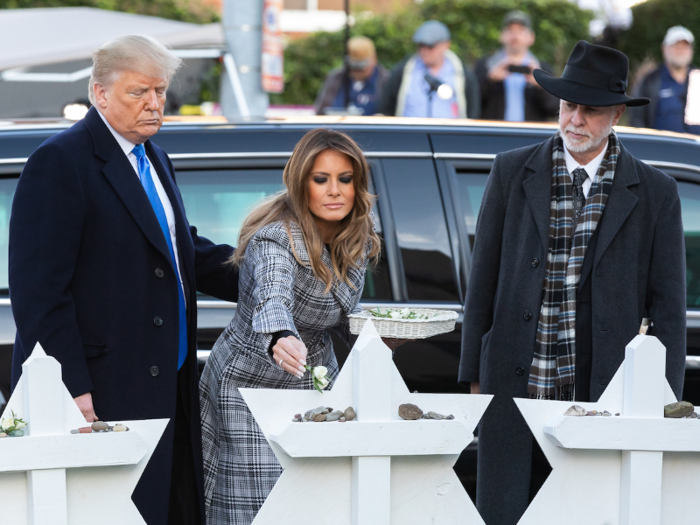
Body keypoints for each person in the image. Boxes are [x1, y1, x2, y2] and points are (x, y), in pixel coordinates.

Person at [9, 35, 238, 525]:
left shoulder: (153, 155)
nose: (154, 103)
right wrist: (71, 387)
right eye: (140, 92)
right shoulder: (61, 161)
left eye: (160, 91)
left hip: (167, 380)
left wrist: (269, 275)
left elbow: (181, 251)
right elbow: (38, 289)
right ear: (100, 93)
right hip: (101, 388)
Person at [459, 41, 686, 525]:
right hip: (515, 386)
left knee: (589, 514)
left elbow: (669, 310)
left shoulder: (656, 193)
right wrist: (475, 377)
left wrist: (663, 406)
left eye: (591, 110)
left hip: (601, 397)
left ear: (618, 114)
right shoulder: (510, 170)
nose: (575, 119)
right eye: (568, 106)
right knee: (507, 513)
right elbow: (482, 281)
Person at [199, 128, 381, 525]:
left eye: (345, 180)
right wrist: (280, 334)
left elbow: (337, 311)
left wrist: (381, 337)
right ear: (301, 184)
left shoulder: (359, 239)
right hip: (250, 384)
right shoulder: (274, 240)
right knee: (259, 508)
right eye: (321, 180)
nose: (334, 191)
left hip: (315, 378)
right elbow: (272, 294)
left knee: (318, 502)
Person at [378, 20, 480, 119]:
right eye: (421, 46)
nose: (424, 51)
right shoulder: (403, 70)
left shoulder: (463, 74)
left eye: (430, 46)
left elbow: (473, 111)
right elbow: (386, 107)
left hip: (451, 135)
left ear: (446, 44)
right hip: (410, 134)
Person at [474, 11, 558, 122]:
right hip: (493, 134)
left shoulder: (543, 69)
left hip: (531, 136)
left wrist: (540, 86)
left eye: (521, 31)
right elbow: (471, 104)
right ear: (501, 36)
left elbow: (555, 110)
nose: (515, 35)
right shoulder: (485, 65)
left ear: (531, 37)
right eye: (510, 30)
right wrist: (489, 80)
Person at [629, 26, 700, 133]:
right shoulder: (651, 80)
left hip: (693, 147)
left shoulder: (697, 79)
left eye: (684, 46)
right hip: (659, 146)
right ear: (664, 48)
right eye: (676, 46)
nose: (680, 50)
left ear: (691, 50)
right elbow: (636, 115)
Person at [314, 36, 389, 116]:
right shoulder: (336, 78)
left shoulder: (385, 81)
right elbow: (321, 111)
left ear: (374, 60)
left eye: (361, 65)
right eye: (353, 66)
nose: (357, 71)